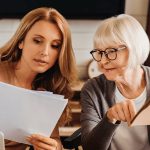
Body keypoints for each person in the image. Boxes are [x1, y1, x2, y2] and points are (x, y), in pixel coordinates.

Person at [0, 7, 77, 150]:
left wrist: (54, 147)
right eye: (37, 41)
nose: (45, 52)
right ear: (21, 42)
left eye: (55, 46)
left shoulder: (47, 90)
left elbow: (54, 141)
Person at [80, 14, 150, 150]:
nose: (103, 61)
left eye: (111, 52)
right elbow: (90, 147)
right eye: (99, 53)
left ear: (133, 48)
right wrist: (109, 119)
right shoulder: (93, 89)